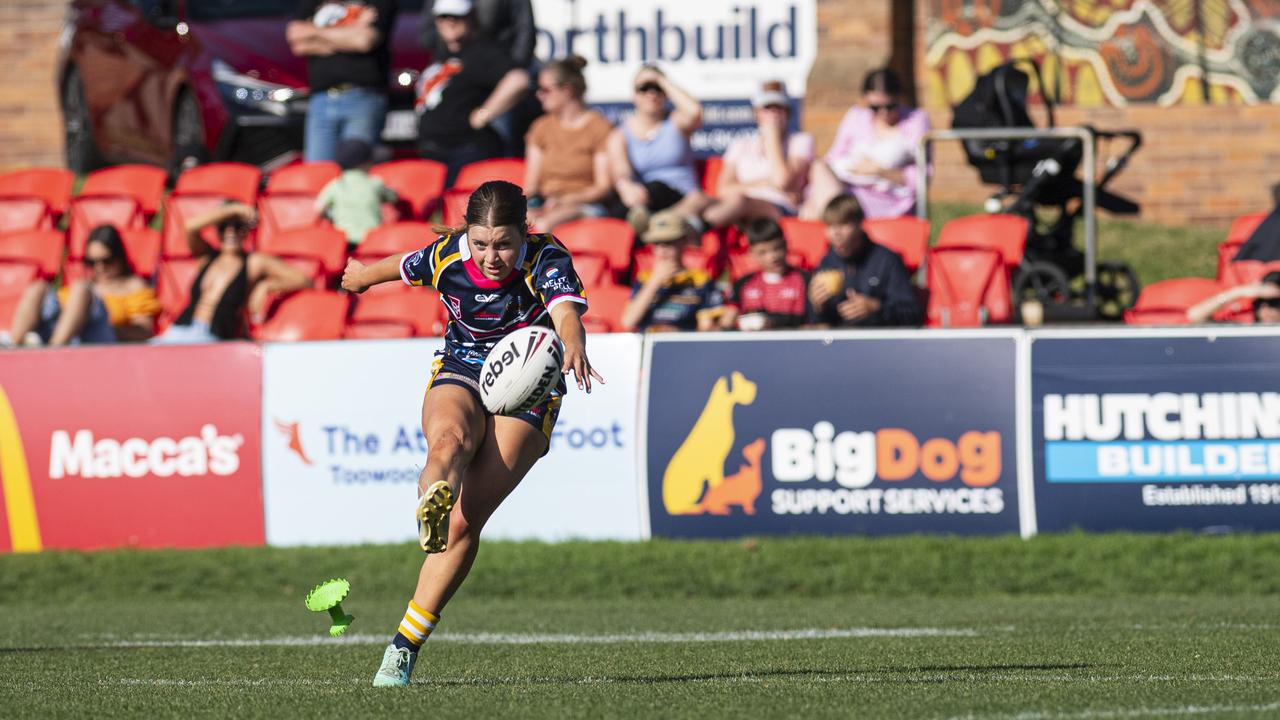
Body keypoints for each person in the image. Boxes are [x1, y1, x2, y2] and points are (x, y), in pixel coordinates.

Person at [338, 180, 602, 687]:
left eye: (503, 243)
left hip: (528, 393)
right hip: (461, 367)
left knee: (462, 524)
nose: (491, 256)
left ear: (523, 233)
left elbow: (566, 310)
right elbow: (403, 264)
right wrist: (361, 278)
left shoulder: (545, 258)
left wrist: (573, 343)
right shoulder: (449, 254)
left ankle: (402, 648)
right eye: (480, 243)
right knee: (446, 444)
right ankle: (432, 494)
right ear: (468, 234)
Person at [153, 203, 313, 343]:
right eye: (223, 227)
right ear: (217, 230)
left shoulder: (254, 262)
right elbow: (190, 226)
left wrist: (267, 285)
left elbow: (303, 280)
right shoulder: (207, 257)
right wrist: (232, 210)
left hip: (214, 337)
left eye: (237, 226)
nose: (230, 232)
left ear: (245, 232)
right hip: (180, 330)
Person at [414, 0, 530, 187]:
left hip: (465, 151)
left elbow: (518, 79)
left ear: (471, 17)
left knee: (462, 212)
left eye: (457, 17)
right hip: (434, 151)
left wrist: (485, 113)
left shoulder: (482, 51)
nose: (449, 22)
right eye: (443, 17)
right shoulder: (444, 54)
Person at [802, 68, 930, 220]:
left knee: (823, 209)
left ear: (899, 98)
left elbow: (923, 175)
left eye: (890, 106)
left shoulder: (915, 120)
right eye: (875, 108)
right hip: (847, 188)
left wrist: (879, 171)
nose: (883, 113)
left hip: (886, 199)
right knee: (818, 168)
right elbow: (833, 156)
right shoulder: (856, 116)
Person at [3, 225, 160, 347]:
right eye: (92, 262)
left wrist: (106, 327)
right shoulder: (85, 284)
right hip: (64, 330)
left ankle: (54, 350)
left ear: (119, 257)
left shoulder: (133, 285)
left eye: (106, 261)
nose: (100, 267)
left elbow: (144, 331)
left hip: (101, 336)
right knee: (38, 287)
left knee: (81, 288)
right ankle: (13, 347)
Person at [607, 65, 713, 236]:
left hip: (681, 197)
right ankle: (644, 226)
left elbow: (694, 111)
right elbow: (621, 170)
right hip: (644, 200)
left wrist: (661, 80)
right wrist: (625, 186)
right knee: (620, 209)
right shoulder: (620, 134)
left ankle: (652, 224)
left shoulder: (676, 122)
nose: (651, 93)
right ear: (634, 95)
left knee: (656, 187)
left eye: (657, 88)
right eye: (644, 88)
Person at [287, 0, 398, 162]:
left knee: (356, 166)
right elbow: (297, 40)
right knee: (318, 172)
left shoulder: (376, 3)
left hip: (362, 97)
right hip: (321, 99)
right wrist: (351, 32)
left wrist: (314, 32)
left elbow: (363, 41)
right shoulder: (312, 3)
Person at [703, 80, 814, 228]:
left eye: (779, 108)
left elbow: (782, 181)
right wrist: (766, 183)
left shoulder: (800, 141)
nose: (774, 114)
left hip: (780, 207)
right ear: (757, 113)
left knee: (740, 201)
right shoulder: (740, 145)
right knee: (700, 200)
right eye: (768, 108)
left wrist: (772, 137)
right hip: (739, 204)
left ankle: (698, 230)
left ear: (788, 113)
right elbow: (723, 189)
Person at [524, 56, 614, 232]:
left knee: (543, 226)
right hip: (546, 204)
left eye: (545, 90)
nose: (538, 95)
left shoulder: (600, 128)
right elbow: (531, 185)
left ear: (567, 90)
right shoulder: (540, 128)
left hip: (584, 205)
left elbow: (603, 187)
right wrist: (534, 204)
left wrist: (565, 201)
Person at [808, 195, 922, 327]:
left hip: (879, 339)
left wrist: (876, 308)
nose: (836, 233)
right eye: (830, 226)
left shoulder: (886, 260)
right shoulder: (827, 262)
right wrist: (817, 307)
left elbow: (911, 314)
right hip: (839, 342)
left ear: (859, 225)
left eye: (843, 225)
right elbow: (819, 325)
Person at [620, 210, 725, 332]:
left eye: (669, 243)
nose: (662, 250)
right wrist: (655, 282)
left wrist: (676, 335)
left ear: (683, 241)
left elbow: (706, 329)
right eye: (657, 244)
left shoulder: (700, 280)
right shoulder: (644, 279)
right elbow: (628, 321)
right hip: (648, 345)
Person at [720, 218, 809, 331]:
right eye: (763, 252)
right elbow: (728, 322)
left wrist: (773, 322)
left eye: (777, 248)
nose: (773, 257)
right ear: (752, 253)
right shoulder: (742, 284)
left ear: (786, 245)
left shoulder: (805, 280)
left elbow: (813, 323)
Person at [317, 138, 398, 247]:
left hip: (343, 240)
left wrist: (332, 216)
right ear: (365, 163)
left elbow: (318, 208)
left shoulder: (335, 184)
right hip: (372, 239)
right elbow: (394, 197)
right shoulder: (375, 182)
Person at [1186, 271, 1280, 324]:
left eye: (1274, 303)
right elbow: (1195, 316)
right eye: (1260, 302)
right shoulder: (1243, 329)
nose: (1265, 308)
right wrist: (1238, 292)